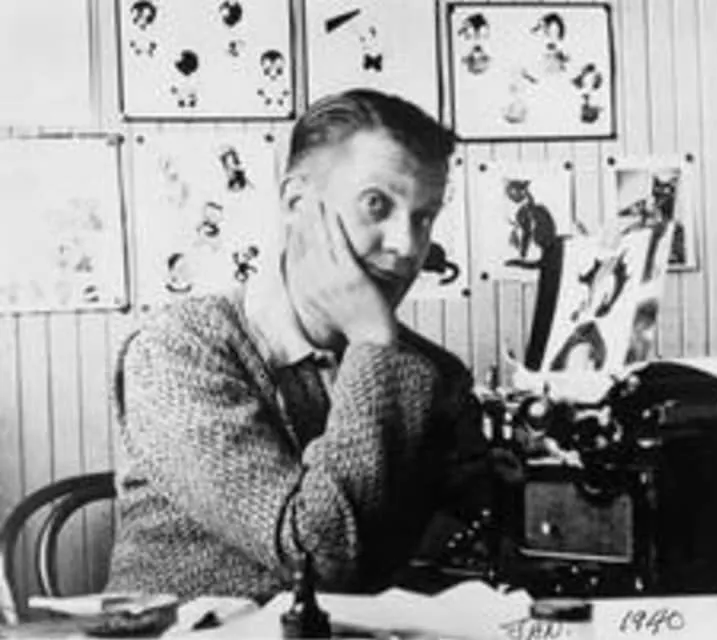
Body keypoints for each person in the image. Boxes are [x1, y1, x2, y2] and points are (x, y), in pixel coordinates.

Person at [105, 89, 494, 603]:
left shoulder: (433, 373)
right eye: (376, 205)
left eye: (423, 217)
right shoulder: (179, 350)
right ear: (297, 204)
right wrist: (373, 344)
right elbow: (318, 556)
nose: (406, 245)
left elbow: (477, 542)